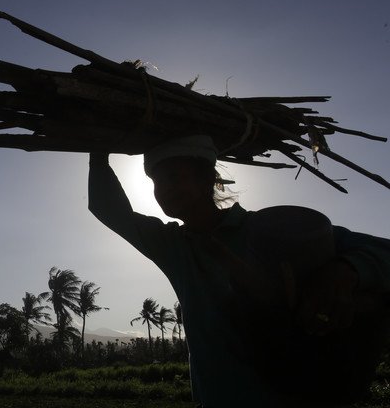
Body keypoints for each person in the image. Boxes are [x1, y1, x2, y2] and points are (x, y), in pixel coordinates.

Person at [87, 135, 390, 408]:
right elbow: (108, 208)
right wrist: (97, 151)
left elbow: (382, 250)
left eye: (175, 177)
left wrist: (347, 269)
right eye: (157, 183)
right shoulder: (174, 247)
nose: (165, 190)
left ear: (208, 179)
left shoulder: (270, 228)